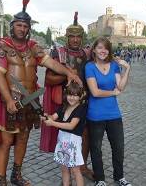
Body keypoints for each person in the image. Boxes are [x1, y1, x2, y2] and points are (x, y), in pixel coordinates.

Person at [0, 0, 82, 186]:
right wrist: (8, 99)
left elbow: (50, 63)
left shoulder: (33, 47)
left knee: (23, 138)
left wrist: (68, 72)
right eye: (19, 25)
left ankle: (16, 175)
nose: (22, 29)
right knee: (6, 141)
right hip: (9, 101)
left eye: (25, 26)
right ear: (12, 26)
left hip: (30, 102)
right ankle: (1, 181)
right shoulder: (1, 46)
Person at [39, 11, 94, 181]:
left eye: (78, 36)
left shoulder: (87, 53)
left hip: (83, 100)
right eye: (72, 36)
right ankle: (67, 168)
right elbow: (48, 79)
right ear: (67, 37)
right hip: (64, 101)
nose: (75, 39)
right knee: (64, 135)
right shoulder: (59, 53)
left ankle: (81, 166)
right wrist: (68, 74)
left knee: (85, 134)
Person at [85, 36, 132, 186]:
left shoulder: (113, 66)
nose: (103, 51)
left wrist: (127, 69)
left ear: (109, 50)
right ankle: (100, 179)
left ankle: (119, 176)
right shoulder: (89, 67)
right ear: (94, 50)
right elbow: (95, 92)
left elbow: (120, 87)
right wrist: (112, 93)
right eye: (99, 48)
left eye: (105, 48)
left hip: (114, 114)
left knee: (118, 147)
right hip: (95, 115)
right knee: (96, 149)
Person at [41, 81, 87, 186]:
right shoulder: (63, 106)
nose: (72, 98)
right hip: (62, 140)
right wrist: (45, 116)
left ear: (80, 97)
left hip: (73, 142)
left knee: (75, 170)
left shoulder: (80, 108)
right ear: (66, 95)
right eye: (70, 94)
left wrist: (53, 123)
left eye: (75, 95)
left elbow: (71, 125)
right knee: (64, 168)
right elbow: (53, 117)